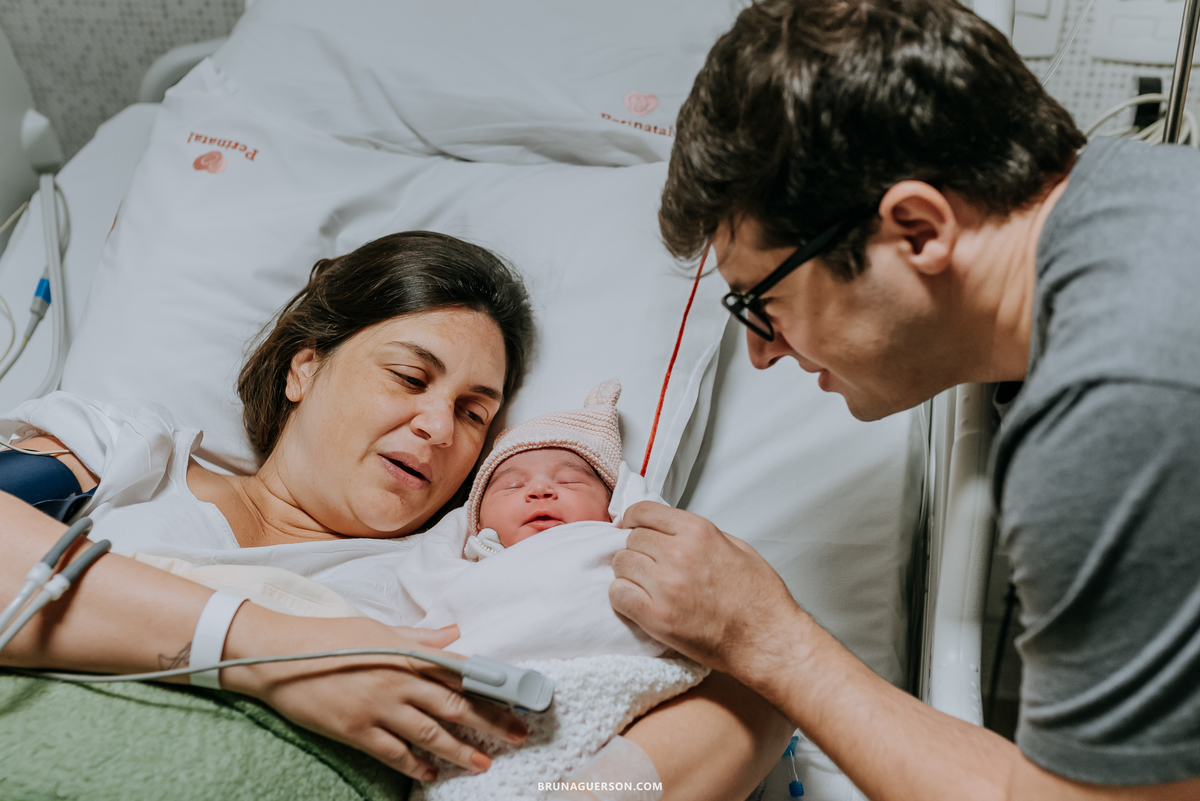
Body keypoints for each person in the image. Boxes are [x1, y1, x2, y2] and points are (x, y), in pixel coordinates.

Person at [609, 0, 1200, 799]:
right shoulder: (1144, 199)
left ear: (918, 230)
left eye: (762, 301)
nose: (761, 349)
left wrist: (769, 639)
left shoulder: (1110, 405)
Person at [0, 232, 788, 799]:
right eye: (411, 376)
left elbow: (757, 689)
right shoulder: (123, 458)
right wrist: (272, 650)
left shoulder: (453, 579)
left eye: (474, 413)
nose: (439, 427)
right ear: (306, 365)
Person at [464, 378, 622, 558]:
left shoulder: (629, 548)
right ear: (478, 523)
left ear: (611, 506)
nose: (539, 489)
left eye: (569, 481)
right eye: (513, 485)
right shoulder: (453, 562)